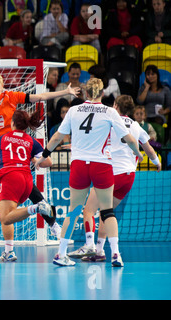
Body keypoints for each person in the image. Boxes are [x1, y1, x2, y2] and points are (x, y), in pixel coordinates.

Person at [0, 72, 80, 261]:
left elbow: (39, 97)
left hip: (14, 145)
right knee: (28, 190)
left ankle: (47, 227)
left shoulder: (11, 96)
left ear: (3, 85)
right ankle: (50, 225)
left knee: (14, 203)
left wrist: (65, 92)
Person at [35, 78, 144, 267]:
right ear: (102, 94)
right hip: (101, 165)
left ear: (86, 93)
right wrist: (138, 155)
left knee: (74, 210)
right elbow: (131, 140)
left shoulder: (73, 110)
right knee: (108, 211)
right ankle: (116, 254)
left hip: (79, 165)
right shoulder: (110, 112)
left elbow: (56, 138)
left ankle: (61, 255)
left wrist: (43, 156)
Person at [68, 95, 161, 264]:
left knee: (88, 211)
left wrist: (75, 146)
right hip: (128, 176)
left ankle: (90, 247)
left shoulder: (108, 121)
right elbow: (149, 149)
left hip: (111, 174)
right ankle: (102, 251)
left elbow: (91, 139)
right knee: (107, 213)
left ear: (115, 106)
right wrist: (157, 162)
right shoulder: (136, 126)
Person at [0, 109, 54, 249]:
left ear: (12, 123)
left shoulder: (2, 138)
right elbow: (48, 162)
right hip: (27, 180)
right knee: (11, 214)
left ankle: (36, 207)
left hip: (11, 177)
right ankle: (9, 251)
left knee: (5, 218)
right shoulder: (31, 140)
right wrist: (33, 160)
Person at [137, 64, 171, 133]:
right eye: (148, 74)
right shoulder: (143, 88)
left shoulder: (165, 89)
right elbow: (139, 102)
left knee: (158, 121)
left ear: (157, 75)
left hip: (158, 115)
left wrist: (164, 112)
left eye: (153, 74)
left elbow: (169, 106)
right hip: (145, 115)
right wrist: (146, 87)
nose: (150, 76)